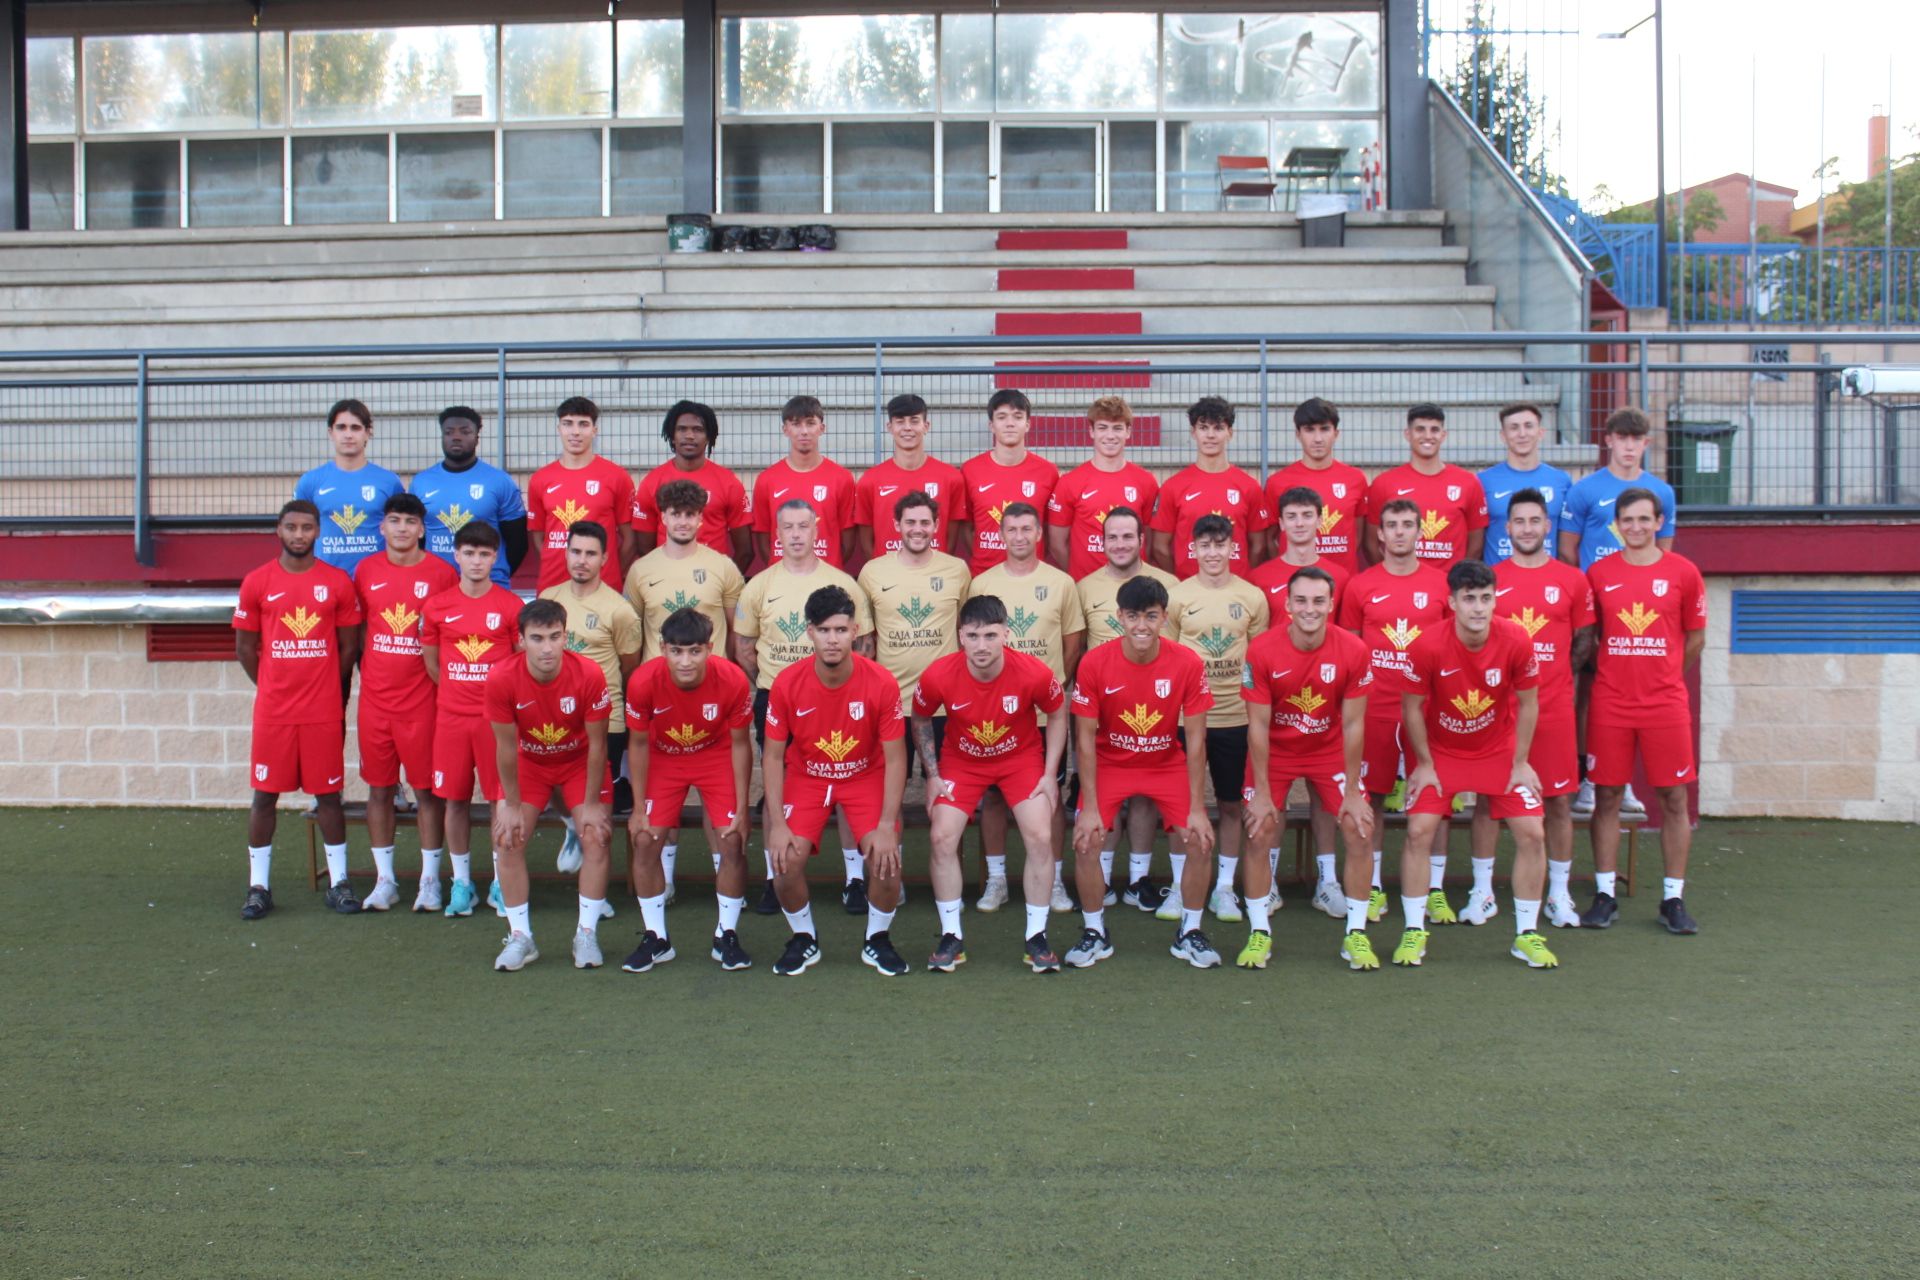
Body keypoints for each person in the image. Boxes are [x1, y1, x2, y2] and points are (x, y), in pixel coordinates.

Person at [1395, 560, 1558, 970]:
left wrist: (1521, 762)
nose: (1479, 608)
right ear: (1452, 603)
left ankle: (1526, 935)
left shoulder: (1517, 639)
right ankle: (1414, 931)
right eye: (1469, 599)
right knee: (1418, 831)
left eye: (1486, 598)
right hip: (1442, 753)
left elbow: (1529, 702)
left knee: (1533, 833)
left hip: (1498, 751)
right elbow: (1411, 709)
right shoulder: (1427, 645)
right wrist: (1424, 764)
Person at [911, 596, 1069, 972]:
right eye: (973, 636)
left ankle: (1037, 937)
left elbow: (1059, 714)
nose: (982, 645)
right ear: (960, 636)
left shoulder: (1033, 672)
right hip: (962, 762)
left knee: (1040, 836)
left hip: (1019, 760)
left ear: (1006, 634)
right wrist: (932, 775)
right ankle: (952, 937)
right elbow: (919, 719)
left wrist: (1049, 774)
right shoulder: (938, 674)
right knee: (942, 837)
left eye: (990, 635)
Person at [1067, 576, 1217, 969]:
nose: (1141, 626)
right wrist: (1092, 808)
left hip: (1165, 763)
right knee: (1086, 838)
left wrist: (1198, 808)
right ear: (1119, 617)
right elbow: (1084, 741)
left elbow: (1197, 743)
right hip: (1111, 762)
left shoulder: (1187, 662)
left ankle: (1191, 931)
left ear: (1164, 617)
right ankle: (1095, 930)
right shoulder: (1095, 662)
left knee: (1200, 838)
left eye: (1151, 616)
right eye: (1132, 616)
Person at [734, 500, 873, 912]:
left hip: (837, 699)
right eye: (787, 527)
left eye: (803, 526)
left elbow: (863, 646)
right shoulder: (759, 584)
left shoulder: (842, 582)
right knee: (775, 784)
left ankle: (855, 881)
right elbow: (744, 648)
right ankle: (776, 877)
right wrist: (783, 684)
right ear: (776, 534)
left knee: (846, 780)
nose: (796, 534)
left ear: (817, 530)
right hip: (777, 698)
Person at [1579, 487, 1707, 935]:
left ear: (1658, 522)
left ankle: (1673, 897)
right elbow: (1590, 638)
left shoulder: (1684, 573)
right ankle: (1604, 893)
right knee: (1607, 795)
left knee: (1674, 798)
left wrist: (1665, 674)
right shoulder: (1599, 573)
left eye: (1644, 519)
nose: (1636, 527)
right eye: (1627, 520)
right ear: (1617, 525)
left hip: (1665, 704)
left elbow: (1694, 638)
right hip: (1612, 702)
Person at [761, 587, 908, 978]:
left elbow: (895, 758)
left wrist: (886, 825)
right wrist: (776, 824)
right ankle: (803, 937)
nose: (832, 639)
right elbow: (773, 757)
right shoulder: (786, 684)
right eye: (824, 630)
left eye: (841, 630)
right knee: (785, 862)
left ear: (856, 631)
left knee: (886, 862)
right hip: (808, 775)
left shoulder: (881, 682)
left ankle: (877, 939)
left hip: (864, 774)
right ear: (808, 632)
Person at [1240, 565, 1378, 969]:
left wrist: (1352, 791)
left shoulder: (1353, 650)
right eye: (1301, 600)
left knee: (1359, 827)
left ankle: (1355, 934)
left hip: (1328, 749)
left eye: (1319, 601)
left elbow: (1354, 724)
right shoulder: (1262, 650)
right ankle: (1258, 932)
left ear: (1332, 604)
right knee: (1259, 828)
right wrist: (1263, 794)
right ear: (1287, 604)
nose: (1309, 609)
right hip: (1277, 750)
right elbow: (1259, 727)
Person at [233, 500, 363, 920]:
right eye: (291, 527)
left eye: (307, 527)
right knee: (264, 796)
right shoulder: (257, 582)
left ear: (318, 531)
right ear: (279, 530)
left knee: (328, 796)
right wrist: (273, 685)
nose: (299, 534)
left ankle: (340, 883)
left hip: (322, 711)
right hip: (275, 711)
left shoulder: (337, 582)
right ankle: (258, 887)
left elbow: (348, 647)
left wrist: (323, 685)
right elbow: (245, 648)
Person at [1473, 489, 1595, 930]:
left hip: (1555, 710)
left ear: (1548, 527)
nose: (1527, 528)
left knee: (1558, 801)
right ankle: (1482, 893)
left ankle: (1558, 894)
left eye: (1534, 521)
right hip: (1497, 713)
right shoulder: (1491, 579)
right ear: (1507, 529)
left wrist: (1554, 677)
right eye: (1518, 521)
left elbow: (1583, 639)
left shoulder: (1572, 580)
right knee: (1489, 801)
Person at [625, 479, 748, 896]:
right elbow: (633, 633)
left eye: (690, 513)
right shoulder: (641, 569)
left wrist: (733, 674)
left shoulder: (723, 567)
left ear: (701, 518)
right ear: (662, 517)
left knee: (722, 802)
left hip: (713, 694)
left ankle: (725, 882)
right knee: (665, 793)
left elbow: (736, 632)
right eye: (674, 513)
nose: (682, 520)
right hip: (661, 696)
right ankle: (667, 879)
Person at [967, 502, 1086, 914]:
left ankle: (1051, 880)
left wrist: (1050, 686)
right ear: (1000, 535)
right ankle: (997, 879)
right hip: (994, 714)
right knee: (995, 798)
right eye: (1011, 529)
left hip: (1042, 715)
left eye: (1026, 529)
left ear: (1039, 534)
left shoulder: (1061, 583)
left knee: (1047, 794)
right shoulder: (982, 582)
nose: (1019, 536)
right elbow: (972, 645)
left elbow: (1072, 642)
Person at [1337, 499, 1452, 924]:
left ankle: (1435, 888)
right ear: (1379, 535)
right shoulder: (1360, 585)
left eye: (1408, 524)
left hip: (1428, 710)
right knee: (1376, 798)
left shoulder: (1441, 586)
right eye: (1392, 526)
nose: (1400, 532)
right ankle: (1373, 887)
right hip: (1377, 708)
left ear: (1420, 532)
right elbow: (1349, 649)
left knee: (1434, 798)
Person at [484, 599, 614, 973]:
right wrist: (508, 804)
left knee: (596, 834)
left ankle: (586, 933)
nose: (546, 647)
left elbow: (599, 745)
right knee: (508, 836)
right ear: (521, 639)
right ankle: (521, 937)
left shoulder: (588, 674)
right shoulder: (501, 677)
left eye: (554, 637)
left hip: (578, 762)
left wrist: (590, 803)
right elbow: (506, 748)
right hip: (530, 763)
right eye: (537, 638)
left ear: (565, 636)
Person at [623, 608, 756, 973]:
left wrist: (742, 809)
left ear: (710, 648)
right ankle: (656, 937)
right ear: (662, 648)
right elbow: (636, 744)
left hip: (714, 756)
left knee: (731, 840)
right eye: (677, 651)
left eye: (695, 651)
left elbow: (742, 745)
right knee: (646, 840)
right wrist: (638, 808)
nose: (686, 661)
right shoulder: (641, 681)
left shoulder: (732, 679)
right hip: (663, 757)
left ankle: (725, 934)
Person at [1561, 407, 1676, 817]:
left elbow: (1665, 555)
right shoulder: (1585, 489)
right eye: (1621, 438)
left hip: (1641, 612)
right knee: (1591, 691)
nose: (1628, 447)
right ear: (1608, 440)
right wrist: (1591, 594)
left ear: (1645, 444)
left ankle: (1622, 779)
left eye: (1636, 439)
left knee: (1633, 689)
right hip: (1598, 606)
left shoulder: (1661, 492)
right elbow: (1569, 549)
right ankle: (1591, 776)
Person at [350, 493, 456, 912]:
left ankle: (430, 881)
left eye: (410, 522)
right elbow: (359, 632)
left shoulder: (441, 573)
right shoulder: (365, 570)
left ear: (421, 529)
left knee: (427, 792)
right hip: (375, 702)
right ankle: (386, 880)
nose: (401, 528)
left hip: (422, 702)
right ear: (382, 526)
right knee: (378, 790)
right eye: (394, 520)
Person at [1166, 515, 1269, 926]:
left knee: (1229, 804)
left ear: (1232, 548)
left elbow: (1259, 661)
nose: (1212, 553)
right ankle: (1179, 885)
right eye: (1204, 545)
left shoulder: (1252, 597)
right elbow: (1169, 662)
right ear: (1194, 549)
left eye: (1219, 545)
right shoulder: (1177, 597)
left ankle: (1224, 887)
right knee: (1182, 806)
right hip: (1185, 719)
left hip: (1234, 718)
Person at [857, 491, 970, 858]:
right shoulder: (873, 572)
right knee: (887, 791)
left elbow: (964, 631)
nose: (918, 529)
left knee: (951, 791)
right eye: (910, 522)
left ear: (937, 526)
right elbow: (866, 642)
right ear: (897, 526)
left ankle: (950, 866)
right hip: (892, 706)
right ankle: (893, 867)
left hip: (945, 707)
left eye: (925, 522)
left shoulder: (957, 570)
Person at [421, 521, 526, 920]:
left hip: (495, 724)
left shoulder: (510, 606)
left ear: (495, 557)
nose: (477, 561)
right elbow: (433, 665)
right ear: (457, 555)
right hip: (451, 719)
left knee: (501, 801)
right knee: (455, 800)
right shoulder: (437, 606)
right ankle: (461, 883)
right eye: (469, 553)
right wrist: (459, 689)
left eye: (484, 554)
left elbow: (519, 665)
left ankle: (502, 882)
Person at [539, 520, 643, 828]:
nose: (582, 560)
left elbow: (629, 665)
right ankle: (573, 833)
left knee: (597, 803)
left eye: (590, 553)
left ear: (605, 559)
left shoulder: (619, 609)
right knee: (560, 790)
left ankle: (597, 862)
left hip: (604, 719)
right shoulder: (549, 597)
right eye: (576, 551)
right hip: (555, 716)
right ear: (566, 554)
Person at [1150, 396, 1274, 578]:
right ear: (1193, 432)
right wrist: (1180, 582)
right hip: (1189, 589)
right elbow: (1160, 546)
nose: (1210, 435)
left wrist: (1241, 578)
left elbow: (1259, 545)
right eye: (1203, 428)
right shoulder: (1173, 486)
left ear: (1230, 433)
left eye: (1218, 428)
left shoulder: (1248, 486)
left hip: (1235, 588)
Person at [411, 405, 528, 588]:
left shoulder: (499, 481)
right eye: (449, 432)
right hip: (435, 584)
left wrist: (495, 572)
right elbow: (417, 538)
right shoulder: (421, 482)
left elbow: (517, 541)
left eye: (465, 432)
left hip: (488, 584)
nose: (456, 437)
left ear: (476, 438)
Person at [630, 399, 754, 573]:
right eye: (682, 429)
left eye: (698, 430)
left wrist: (724, 584)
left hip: (713, 586)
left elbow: (745, 551)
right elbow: (644, 549)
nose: (689, 435)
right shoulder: (652, 482)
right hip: (666, 581)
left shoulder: (728, 482)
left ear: (709, 436)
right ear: (672, 435)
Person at [526, 396, 637, 592]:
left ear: (594, 430)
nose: (575, 432)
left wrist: (608, 571)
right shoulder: (540, 479)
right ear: (559, 428)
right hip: (553, 587)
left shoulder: (617, 477)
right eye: (568, 424)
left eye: (583, 424)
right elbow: (538, 538)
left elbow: (629, 539)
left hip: (602, 587)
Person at [1047, 395, 1161, 580]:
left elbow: (1147, 540)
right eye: (1102, 428)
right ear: (1091, 431)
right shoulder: (1070, 482)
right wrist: (1083, 577)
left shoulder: (1146, 481)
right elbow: (1057, 544)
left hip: (1133, 586)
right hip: (1086, 586)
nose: (1110, 436)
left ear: (1128, 431)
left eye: (1117, 428)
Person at [1363, 403, 1488, 568]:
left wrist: (1458, 579)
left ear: (1443, 435)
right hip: (1403, 586)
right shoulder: (1384, 483)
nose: (1428, 436)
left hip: (1449, 587)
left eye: (1434, 430)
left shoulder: (1468, 482)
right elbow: (1372, 543)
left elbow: (1476, 544)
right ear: (1408, 434)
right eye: (1420, 429)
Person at [294, 398, 406, 578]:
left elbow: (403, 531)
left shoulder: (388, 481)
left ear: (368, 433)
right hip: (325, 581)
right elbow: (298, 533)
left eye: (355, 428)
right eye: (341, 427)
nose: (348, 435)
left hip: (376, 580)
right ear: (330, 432)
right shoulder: (311, 482)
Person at [958, 389, 1061, 574]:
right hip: (984, 575)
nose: (1010, 424)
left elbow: (1049, 528)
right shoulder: (970, 470)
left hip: (1032, 577)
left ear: (1028, 424)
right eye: (1002, 417)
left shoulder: (1048, 472)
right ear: (992, 425)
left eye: (1017, 416)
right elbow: (967, 528)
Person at [1264, 397, 1368, 574]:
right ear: (1298, 434)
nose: (1318, 438)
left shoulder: (1355, 479)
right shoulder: (1278, 482)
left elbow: (1358, 534)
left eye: (1325, 429)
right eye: (1310, 430)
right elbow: (1269, 539)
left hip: (1343, 582)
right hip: (1294, 583)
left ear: (1336, 433)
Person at [854, 393, 966, 559]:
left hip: (934, 574)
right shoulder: (870, 480)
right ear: (889, 427)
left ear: (926, 426)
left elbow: (950, 538)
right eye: (900, 421)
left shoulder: (951, 478)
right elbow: (866, 540)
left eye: (914, 421)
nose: (907, 427)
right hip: (888, 577)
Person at [751, 395, 857, 568]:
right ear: (785, 429)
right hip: (782, 579)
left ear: (821, 428)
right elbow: (763, 539)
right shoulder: (767, 479)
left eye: (810, 423)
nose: (804, 431)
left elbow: (848, 541)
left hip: (827, 579)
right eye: (796, 424)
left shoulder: (842, 477)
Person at [1478, 402, 1573, 565]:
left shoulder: (1561, 481)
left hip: (1546, 582)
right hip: (1498, 583)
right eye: (1514, 428)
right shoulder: (1483, 482)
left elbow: (1567, 543)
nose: (1522, 434)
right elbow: (1475, 543)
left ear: (1540, 432)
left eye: (1528, 426)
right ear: (1503, 435)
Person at [1249, 486, 1352, 623]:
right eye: (1291, 516)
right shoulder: (1258, 578)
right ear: (1281, 523)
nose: (1299, 523)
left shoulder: (1341, 577)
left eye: (1307, 515)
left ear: (1319, 521)